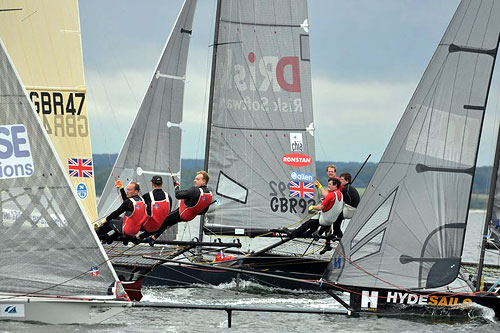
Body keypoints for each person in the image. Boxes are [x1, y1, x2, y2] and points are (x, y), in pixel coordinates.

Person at [144, 171, 213, 245]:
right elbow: (204, 211)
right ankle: (153, 238)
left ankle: (140, 237)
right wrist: (194, 210)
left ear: (204, 181)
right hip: (189, 216)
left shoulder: (195, 190)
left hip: (182, 213)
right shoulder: (209, 194)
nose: (194, 180)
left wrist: (176, 187)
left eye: (197, 179)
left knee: (162, 221)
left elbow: (178, 195)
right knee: (166, 222)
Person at [309, 177, 343, 254]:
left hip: (335, 213)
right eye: (328, 171)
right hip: (332, 213)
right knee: (327, 227)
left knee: (333, 227)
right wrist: (320, 187)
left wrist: (314, 207)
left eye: (332, 171)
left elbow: (329, 197)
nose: (330, 173)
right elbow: (328, 196)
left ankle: (341, 243)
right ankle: (327, 244)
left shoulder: (336, 185)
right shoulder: (333, 187)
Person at [331, 172, 361, 238]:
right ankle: (338, 236)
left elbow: (337, 199)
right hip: (351, 208)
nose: (340, 181)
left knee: (335, 218)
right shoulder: (349, 187)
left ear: (347, 180)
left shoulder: (345, 189)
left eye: (341, 179)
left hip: (350, 210)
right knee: (338, 219)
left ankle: (336, 235)